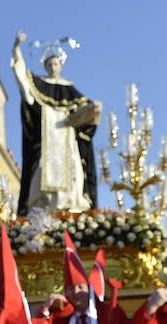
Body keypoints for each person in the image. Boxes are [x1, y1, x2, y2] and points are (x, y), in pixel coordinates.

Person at [11, 29, 102, 215]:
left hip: (67, 140)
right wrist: (16, 48)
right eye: (50, 64)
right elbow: (23, 82)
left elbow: (86, 113)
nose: (53, 67)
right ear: (45, 66)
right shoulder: (38, 85)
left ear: (61, 65)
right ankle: (43, 208)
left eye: (56, 63)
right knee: (42, 170)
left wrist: (94, 110)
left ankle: (73, 205)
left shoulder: (70, 89)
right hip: (48, 139)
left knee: (74, 170)